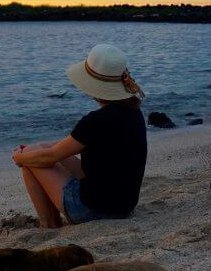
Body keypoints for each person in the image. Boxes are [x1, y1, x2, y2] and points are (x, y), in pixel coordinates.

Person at [12, 43, 147, 227]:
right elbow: (66, 146)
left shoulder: (96, 121)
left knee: (32, 159)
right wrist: (35, 152)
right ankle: (51, 220)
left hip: (92, 209)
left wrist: (20, 157)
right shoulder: (133, 112)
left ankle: (49, 224)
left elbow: (49, 158)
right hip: (124, 206)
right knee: (39, 149)